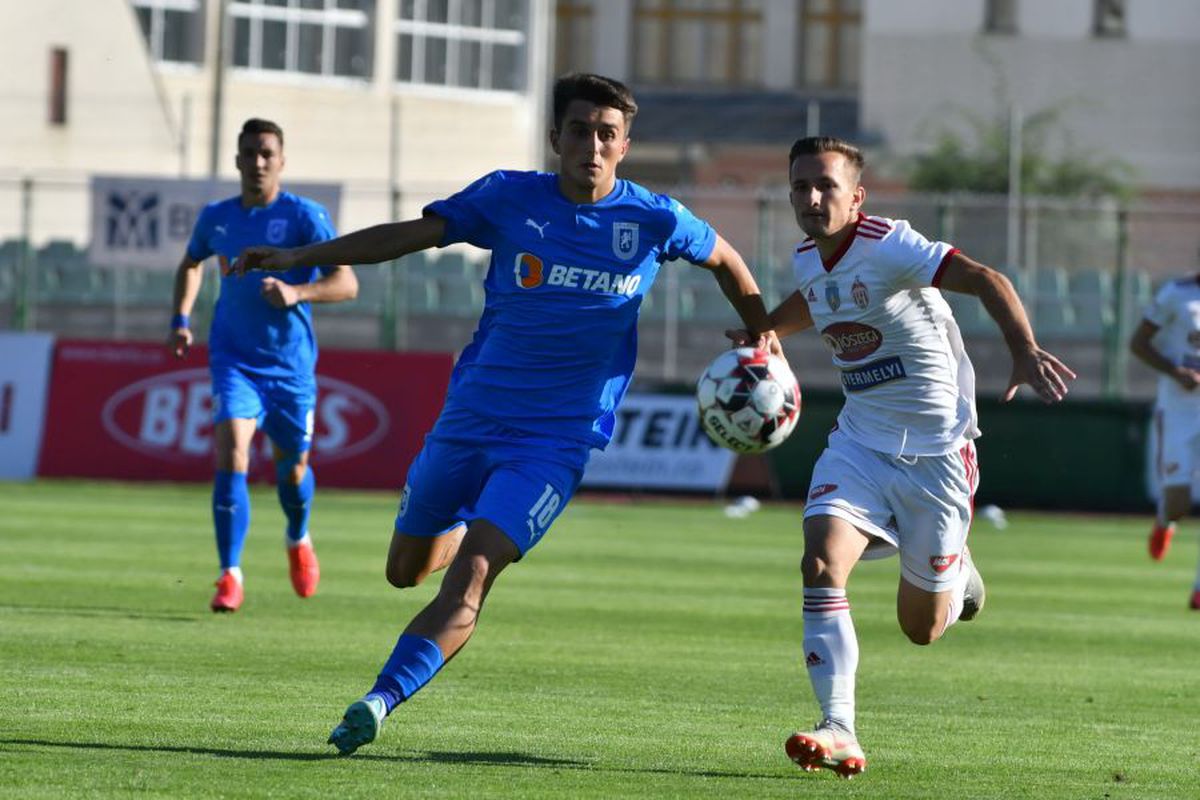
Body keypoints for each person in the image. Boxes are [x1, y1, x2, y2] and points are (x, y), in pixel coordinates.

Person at [234, 73, 781, 755]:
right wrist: (301, 256)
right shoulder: (508, 197)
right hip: (469, 420)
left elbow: (726, 258)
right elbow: (408, 236)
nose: (592, 146)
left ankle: (379, 700)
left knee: (473, 575)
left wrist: (763, 332)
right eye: (579, 131)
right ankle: (469, 520)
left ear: (625, 145)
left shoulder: (654, 219)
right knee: (404, 571)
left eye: (607, 134)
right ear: (555, 138)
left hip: (556, 442)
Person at [729, 136, 1076, 778]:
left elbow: (987, 279)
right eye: (801, 186)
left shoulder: (889, 244)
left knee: (921, 630)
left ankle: (958, 572)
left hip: (938, 456)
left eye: (826, 186)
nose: (811, 198)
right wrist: (768, 329)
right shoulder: (807, 257)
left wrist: (1023, 349)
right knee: (819, 562)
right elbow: (817, 298)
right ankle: (838, 727)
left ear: (856, 196)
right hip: (859, 444)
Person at [168, 117, 358, 613]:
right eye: (249, 153)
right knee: (231, 452)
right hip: (234, 360)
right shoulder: (217, 218)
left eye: (266, 153)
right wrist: (181, 318)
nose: (258, 162)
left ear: (281, 161)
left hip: (290, 368)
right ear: (237, 160)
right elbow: (191, 263)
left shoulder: (305, 216)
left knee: (292, 473)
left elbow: (346, 282)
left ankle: (298, 535)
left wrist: (297, 292)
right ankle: (229, 574)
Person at [1129, 273, 1200, 609]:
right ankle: (1164, 521)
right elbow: (1138, 344)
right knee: (1178, 504)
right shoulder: (1176, 293)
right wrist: (1175, 372)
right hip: (1178, 410)